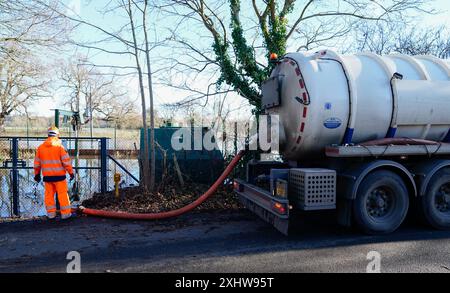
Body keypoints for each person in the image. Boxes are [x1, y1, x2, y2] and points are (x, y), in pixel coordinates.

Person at [34, 126, 75, 220]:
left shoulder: (40, 148)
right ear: (57, 135)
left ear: (48, 135)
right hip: (60, 177)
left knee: (49, 196)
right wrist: (71, 173)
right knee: (63, 195)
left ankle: (51, 214)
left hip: (47, 177)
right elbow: (66, 162)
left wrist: (37, 174)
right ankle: (65, 214)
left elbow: (37, 163)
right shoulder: (60, 147)